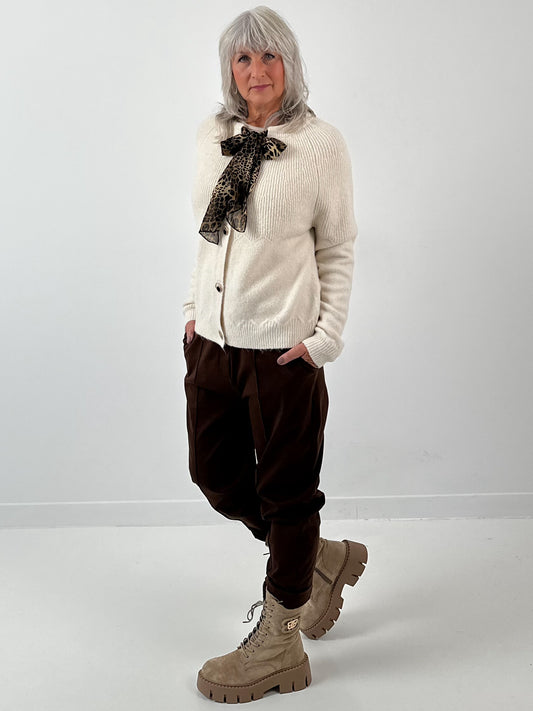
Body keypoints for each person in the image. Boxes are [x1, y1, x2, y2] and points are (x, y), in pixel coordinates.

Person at [182, 6, 368, 703]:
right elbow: (208, 238)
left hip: (282, 352)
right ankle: (317, 557)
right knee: (215, 474)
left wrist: (323, 339)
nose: (256, 71)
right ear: (228, 69)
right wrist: (191, 313)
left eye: (269, 57)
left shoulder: (320, 144)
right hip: (212, 342)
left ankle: (281, 635)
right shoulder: (213, 136)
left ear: (289, 65)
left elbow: (337, 245)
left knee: (287, 493)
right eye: (243, 58)